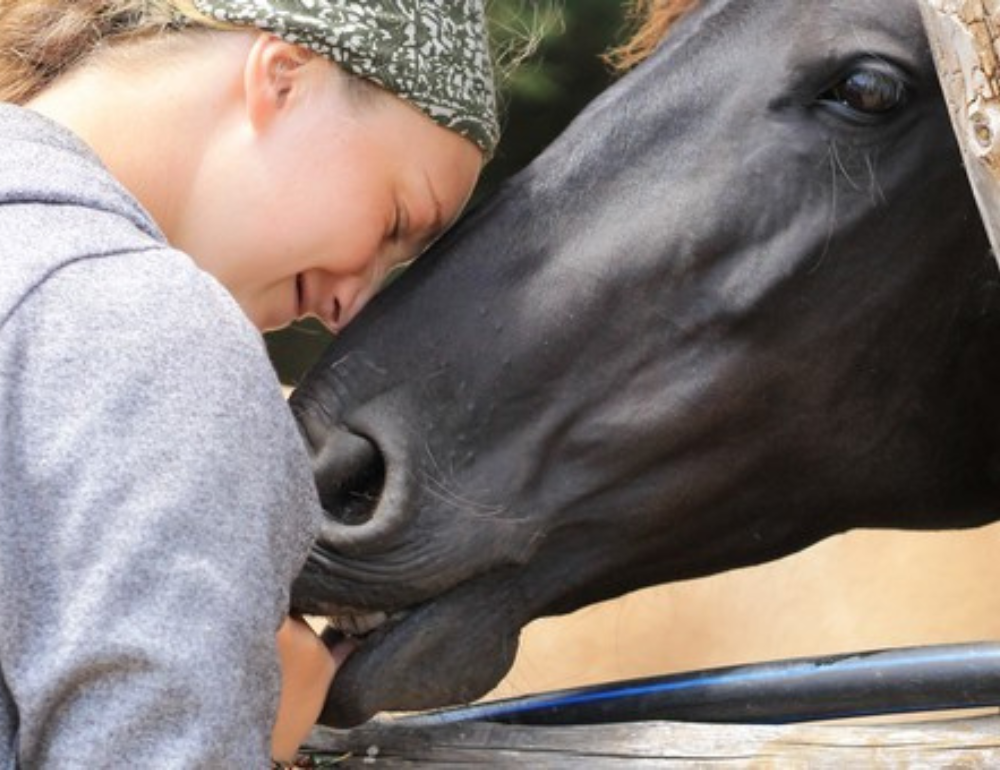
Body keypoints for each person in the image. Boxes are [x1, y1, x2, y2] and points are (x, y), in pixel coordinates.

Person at [0, 0, 498, 765]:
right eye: (396, 218)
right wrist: (255, 723)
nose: (349, 306)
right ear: (284, 76)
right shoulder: (150, 331)